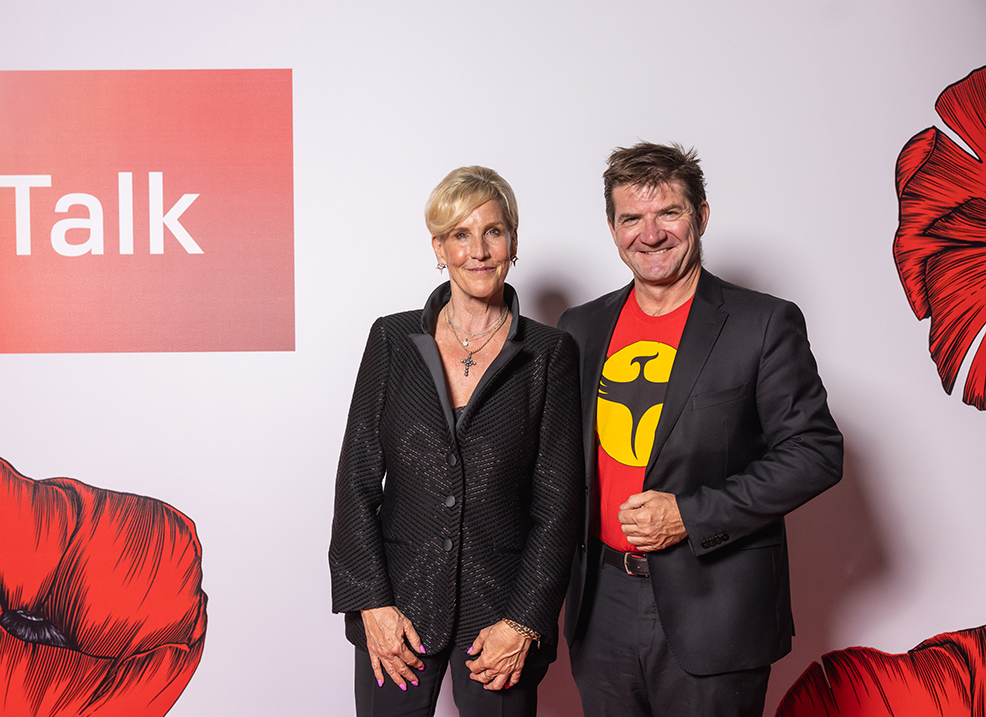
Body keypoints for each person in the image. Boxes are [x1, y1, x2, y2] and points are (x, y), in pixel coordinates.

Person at [558, 142, 844, 716]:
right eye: (631, 218)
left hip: (716, 607)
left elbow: (815, 452)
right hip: (600, 606)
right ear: (612, 229)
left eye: (669, 213)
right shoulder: (581, 328)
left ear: (702, 215)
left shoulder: (762, 323)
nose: (650, 234)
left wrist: (689, 516)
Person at [329, 166, 583, 716]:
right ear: (439, 248)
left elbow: (559, 505)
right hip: (398, 609)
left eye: (493, 231)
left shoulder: (549, 354)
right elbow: (356, 481)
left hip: (500, 615)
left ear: (513, 241)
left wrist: (523, 621)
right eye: (460, 235)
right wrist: (371, 603)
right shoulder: (392, 339)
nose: (479, 251)